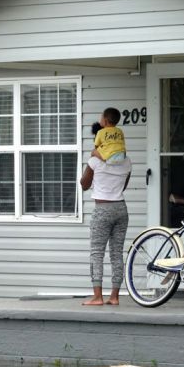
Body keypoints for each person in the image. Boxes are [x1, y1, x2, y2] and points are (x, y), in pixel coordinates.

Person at [80, 127, 132, 306]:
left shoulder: (95, 161)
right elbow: (123, 186)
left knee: (97, 253)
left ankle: (97, 296)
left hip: (102, 209)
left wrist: (92, 161)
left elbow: (84, 184)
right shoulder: (127, 162)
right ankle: (115, 296)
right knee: (117, 253)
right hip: (121, 208)